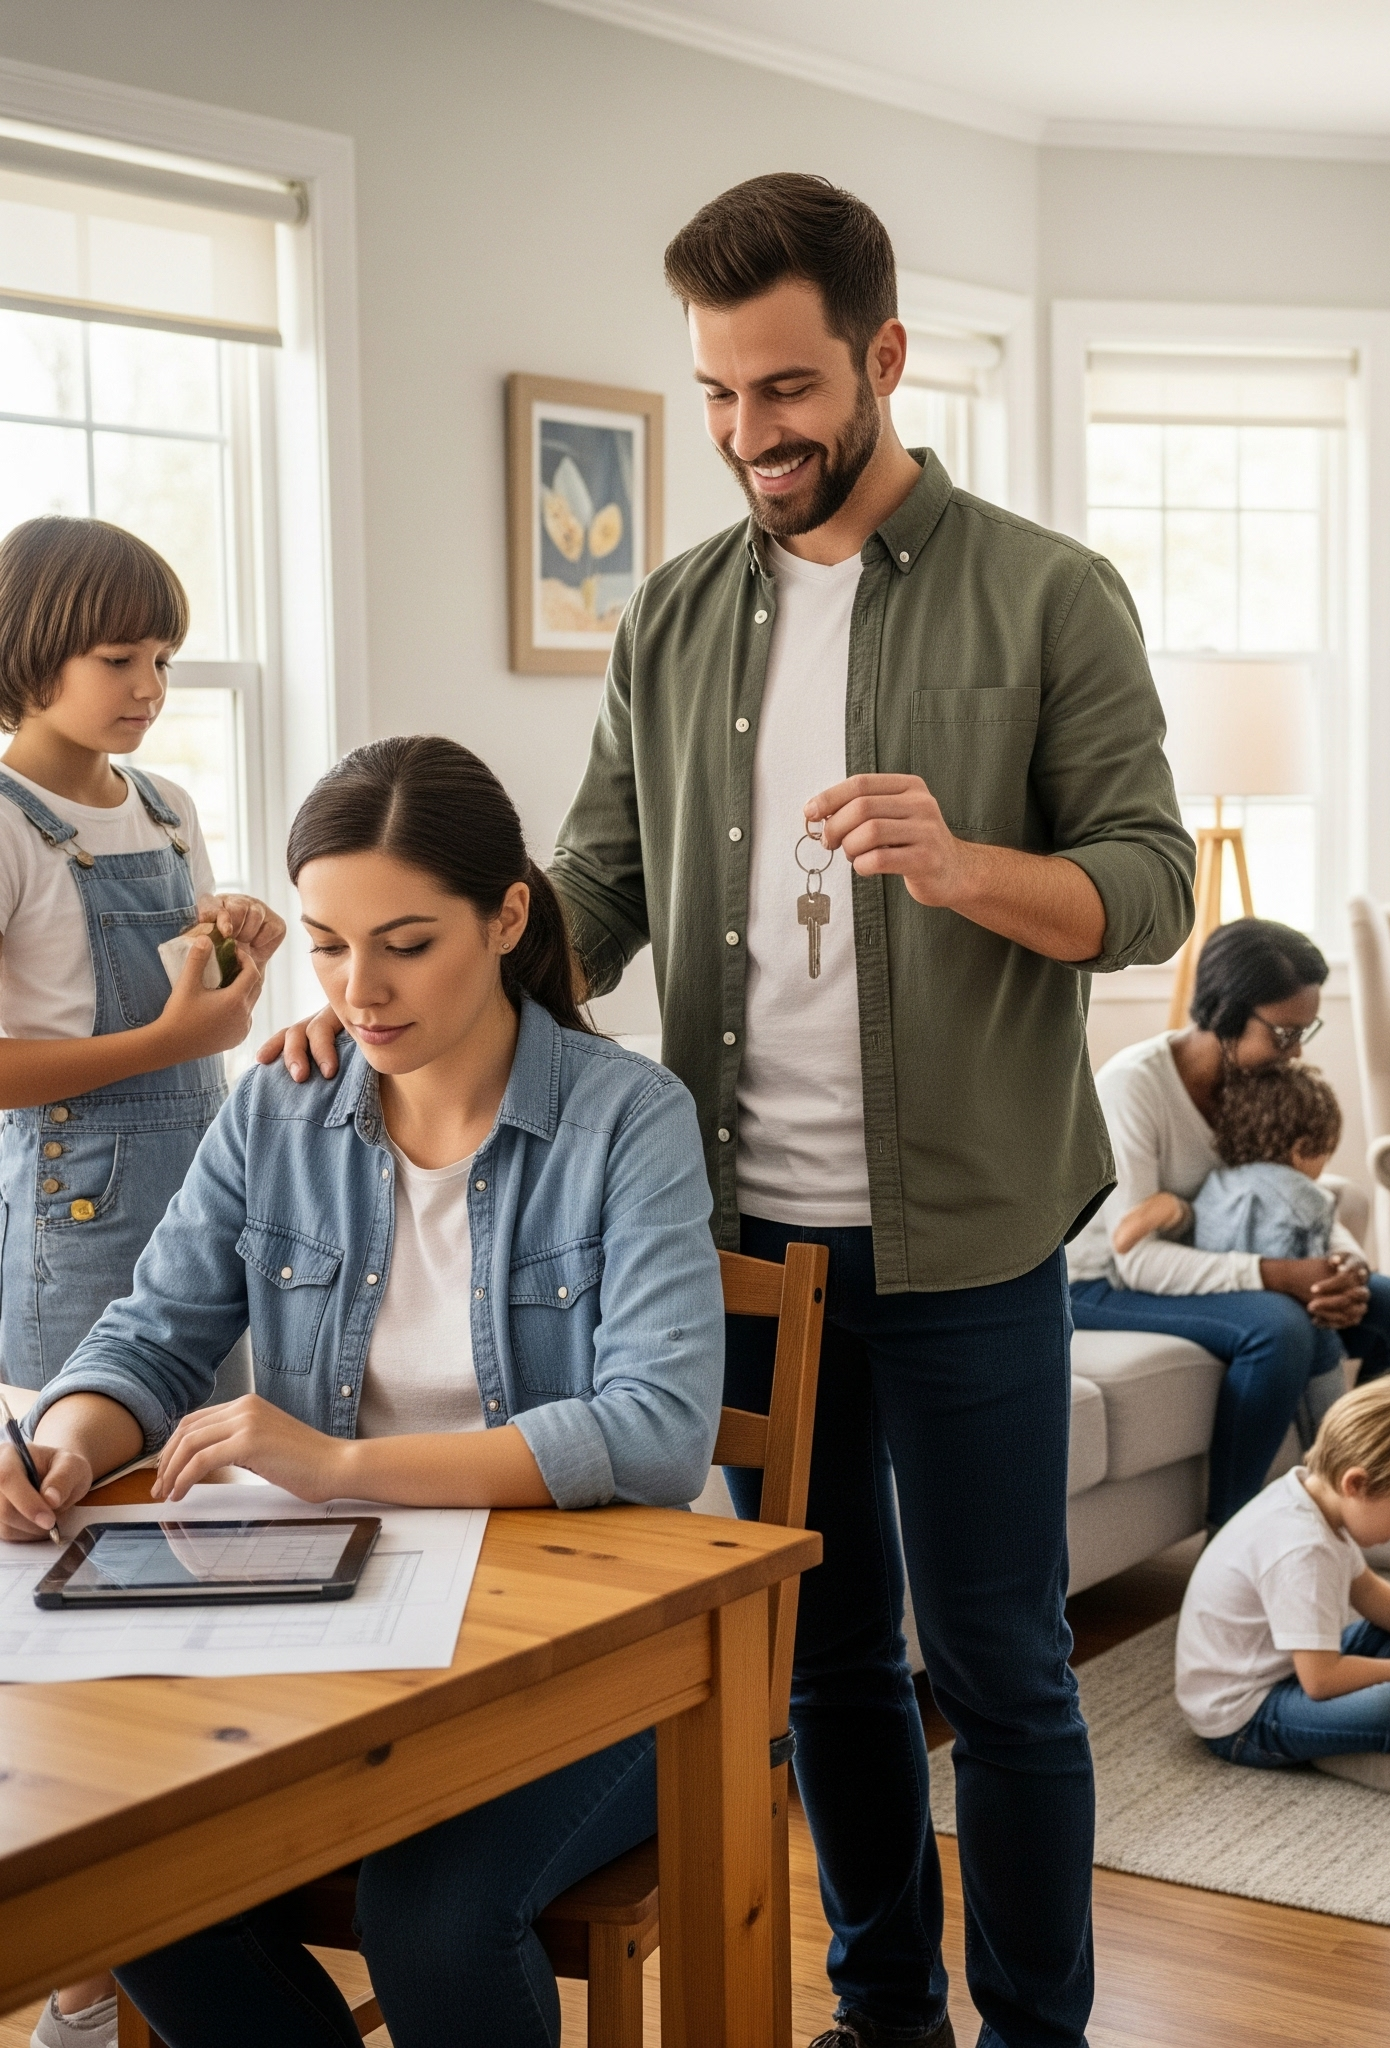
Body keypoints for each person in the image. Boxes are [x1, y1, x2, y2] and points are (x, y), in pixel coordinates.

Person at [268, 176, 1191, 2048]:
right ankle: (881, 2012)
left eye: (783, 389)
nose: (750, 434)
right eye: (714, 394)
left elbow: (1154, 887)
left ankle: (1032, 2031)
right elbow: (589, 884)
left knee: (1004, 1668)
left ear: (882, 359)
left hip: (970, 1228)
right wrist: (399, 993)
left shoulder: (1047, 593)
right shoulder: (672, 615)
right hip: (737, 1237)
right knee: (824, 1651)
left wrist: (965, 862)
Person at [4, 736, 724, 2048]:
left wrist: (336, 1470)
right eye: (328, 946)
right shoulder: (280, 1110)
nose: (360, 988)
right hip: (339, 1629)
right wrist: (60, 1438)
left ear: (507, 917)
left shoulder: (630, 1120)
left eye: (404, 943)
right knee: (139, 1877)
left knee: (435, 1924)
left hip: (613, 1651)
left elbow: (658, 1432)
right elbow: (153, 1337)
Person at [0, 516, 284, 2048]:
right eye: (120, 659)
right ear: (34, 644)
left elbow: (212, 1019)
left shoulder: (166, 806)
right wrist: (176, 1041)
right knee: (86, 1595)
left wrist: (242, 945)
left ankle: (181, 1933)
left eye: (164, 658)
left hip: (207, 1218)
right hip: (74, 1216)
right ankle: (81, 1983)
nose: (151, 686)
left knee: (207, 1583)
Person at [1071, 920, 1390, 1564]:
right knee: (1279, 1327)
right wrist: (1278, 1276)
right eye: (1283, 1032)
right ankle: (1232, 1547)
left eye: (1305, 1031)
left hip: (1204, 1269)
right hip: (1103, 1282)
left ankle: (1377, 1515)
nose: (1297, 1050)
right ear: (1224, 1014)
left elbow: (1293, 1192)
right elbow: (1135, 1253)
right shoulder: (1133, 1088)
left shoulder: (1257, 1077)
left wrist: (1343, 1271)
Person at [1174, 1374, 1390, 1793]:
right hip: (1242, 1716)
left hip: (1288, 1669)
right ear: (1356, 1484)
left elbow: (1370, 1593)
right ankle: (1336, 1748)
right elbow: (1322, 1680)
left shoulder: (1314, 1497)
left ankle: (1342, 1740)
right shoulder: (1303, 1549)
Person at [1114, 1059, 1345, 1265]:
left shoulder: (1217, 1181)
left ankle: (1174, 1211)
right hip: (1276, 1286)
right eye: (1326, 1152)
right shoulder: (1311, 1198)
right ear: (1301, 1150)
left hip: (1213, 1275)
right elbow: (1318, 1265)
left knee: (1194, 1224)